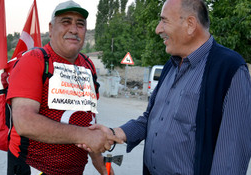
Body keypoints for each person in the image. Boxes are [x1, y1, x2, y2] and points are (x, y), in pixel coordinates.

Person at [84, 0, 251, 174]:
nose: (158, 29)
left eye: (164, 21)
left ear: (190, 24)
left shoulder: (229, 69)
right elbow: (152, 119)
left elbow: (231, 157)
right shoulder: (170, 66)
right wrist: (115, 132)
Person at [6, 1, 121, 175]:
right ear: (51, 29)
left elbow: (90, 127)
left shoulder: (88, 66)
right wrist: (83, 135)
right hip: (33, 167)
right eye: (66, 21)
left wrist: (107, 172)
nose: (74, 30)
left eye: (80, 24)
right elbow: (24, 123)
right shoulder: (34, 60)